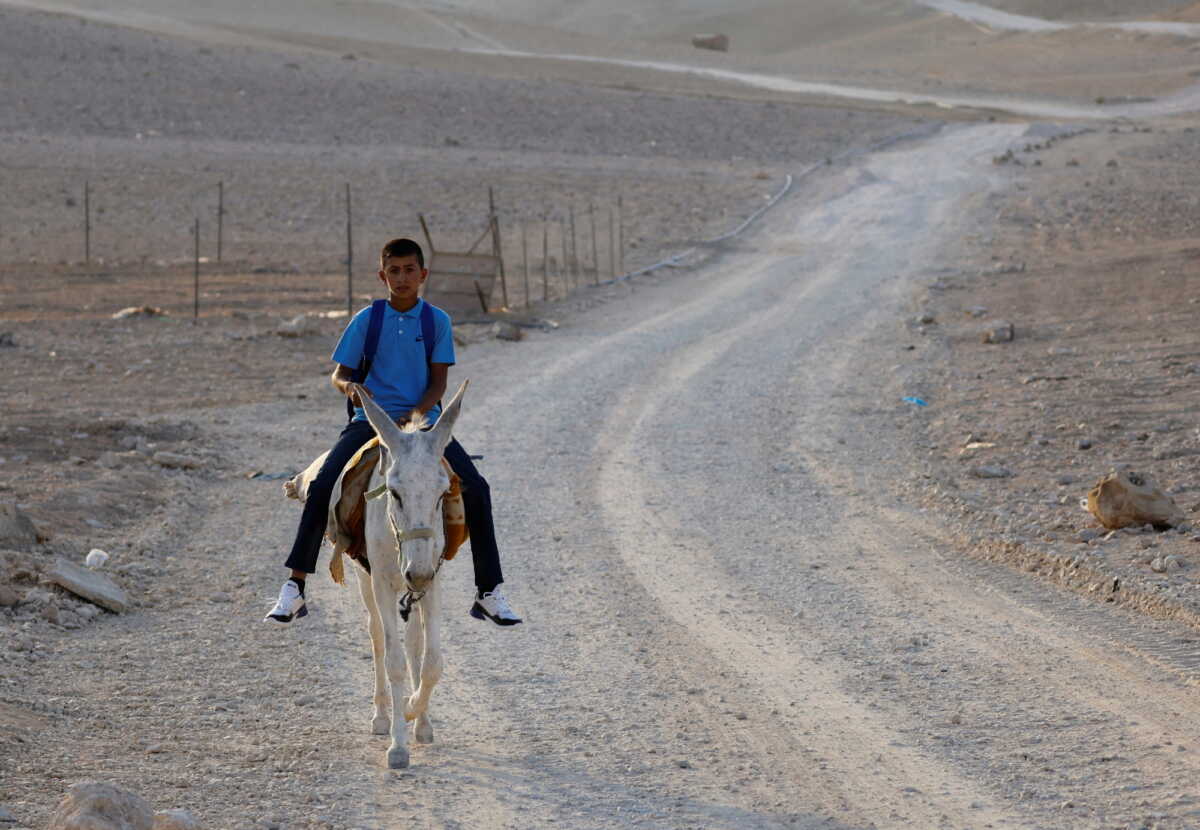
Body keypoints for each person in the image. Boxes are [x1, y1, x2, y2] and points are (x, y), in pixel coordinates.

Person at [264, 237, 522, 626]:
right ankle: (296, 586)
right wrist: (350, 388)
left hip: (424, 424)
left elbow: (438, 384)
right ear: (383, 275)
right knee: (322, 485)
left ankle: (488, 591)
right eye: (394, 271)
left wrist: (415, 419)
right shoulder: (367, 321)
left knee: (477, 489)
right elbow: (340, 374)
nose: (402, 278)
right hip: (370, 421)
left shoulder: (437, 321)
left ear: (423, 274)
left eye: (409, 270)